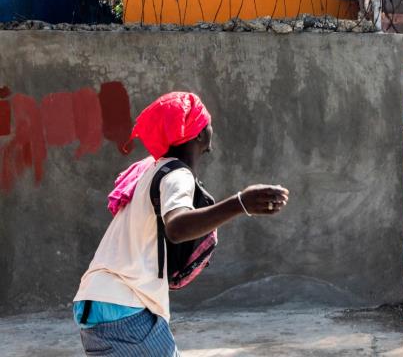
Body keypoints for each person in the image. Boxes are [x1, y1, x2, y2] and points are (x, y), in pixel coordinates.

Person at [72, 92, 289, 356]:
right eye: (207, 121)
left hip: (95, 302)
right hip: (125, 306)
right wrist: (239, 203)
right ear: (198, 134)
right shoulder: (177, 174)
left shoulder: (149, 170)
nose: (212, 127)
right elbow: (176, 227)